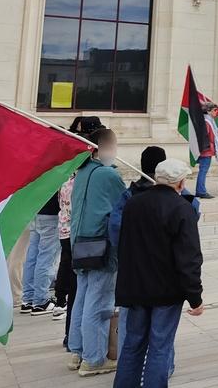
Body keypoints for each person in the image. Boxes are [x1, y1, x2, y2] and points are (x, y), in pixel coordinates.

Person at [113, 158, 204, 388]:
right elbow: (189, 258)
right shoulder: (182, 208)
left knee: (133, 343)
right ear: (181, 183)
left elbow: (122, 244)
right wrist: (195, 297)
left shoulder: (134, 203)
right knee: (160, 346)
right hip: (165, 291)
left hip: (135, 287)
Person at [67, 128, 126, 376]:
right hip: (101, 247)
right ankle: (94, 359)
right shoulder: (107, 175)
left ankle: (78, 351)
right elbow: (124, 206)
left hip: (80, 244)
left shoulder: (82, 173)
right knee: (98, 303)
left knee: (82, 298)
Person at [54, 173, 76, 336]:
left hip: (63, 229)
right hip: (73, 231)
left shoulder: (64, 181)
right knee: (70, 269)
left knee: (64, 263)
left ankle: (60, 298)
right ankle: (62, 300)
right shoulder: (76, 183)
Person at [195, 102, 218, 199]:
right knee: (203, 171)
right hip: (206, 150)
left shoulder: (207, 121)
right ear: (208, 111)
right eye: (214, 110)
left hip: (207, 149)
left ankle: (200, 190)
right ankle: (201, 191)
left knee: (203, 170)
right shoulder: (206, 122)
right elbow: (207, 136)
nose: (216, 112)